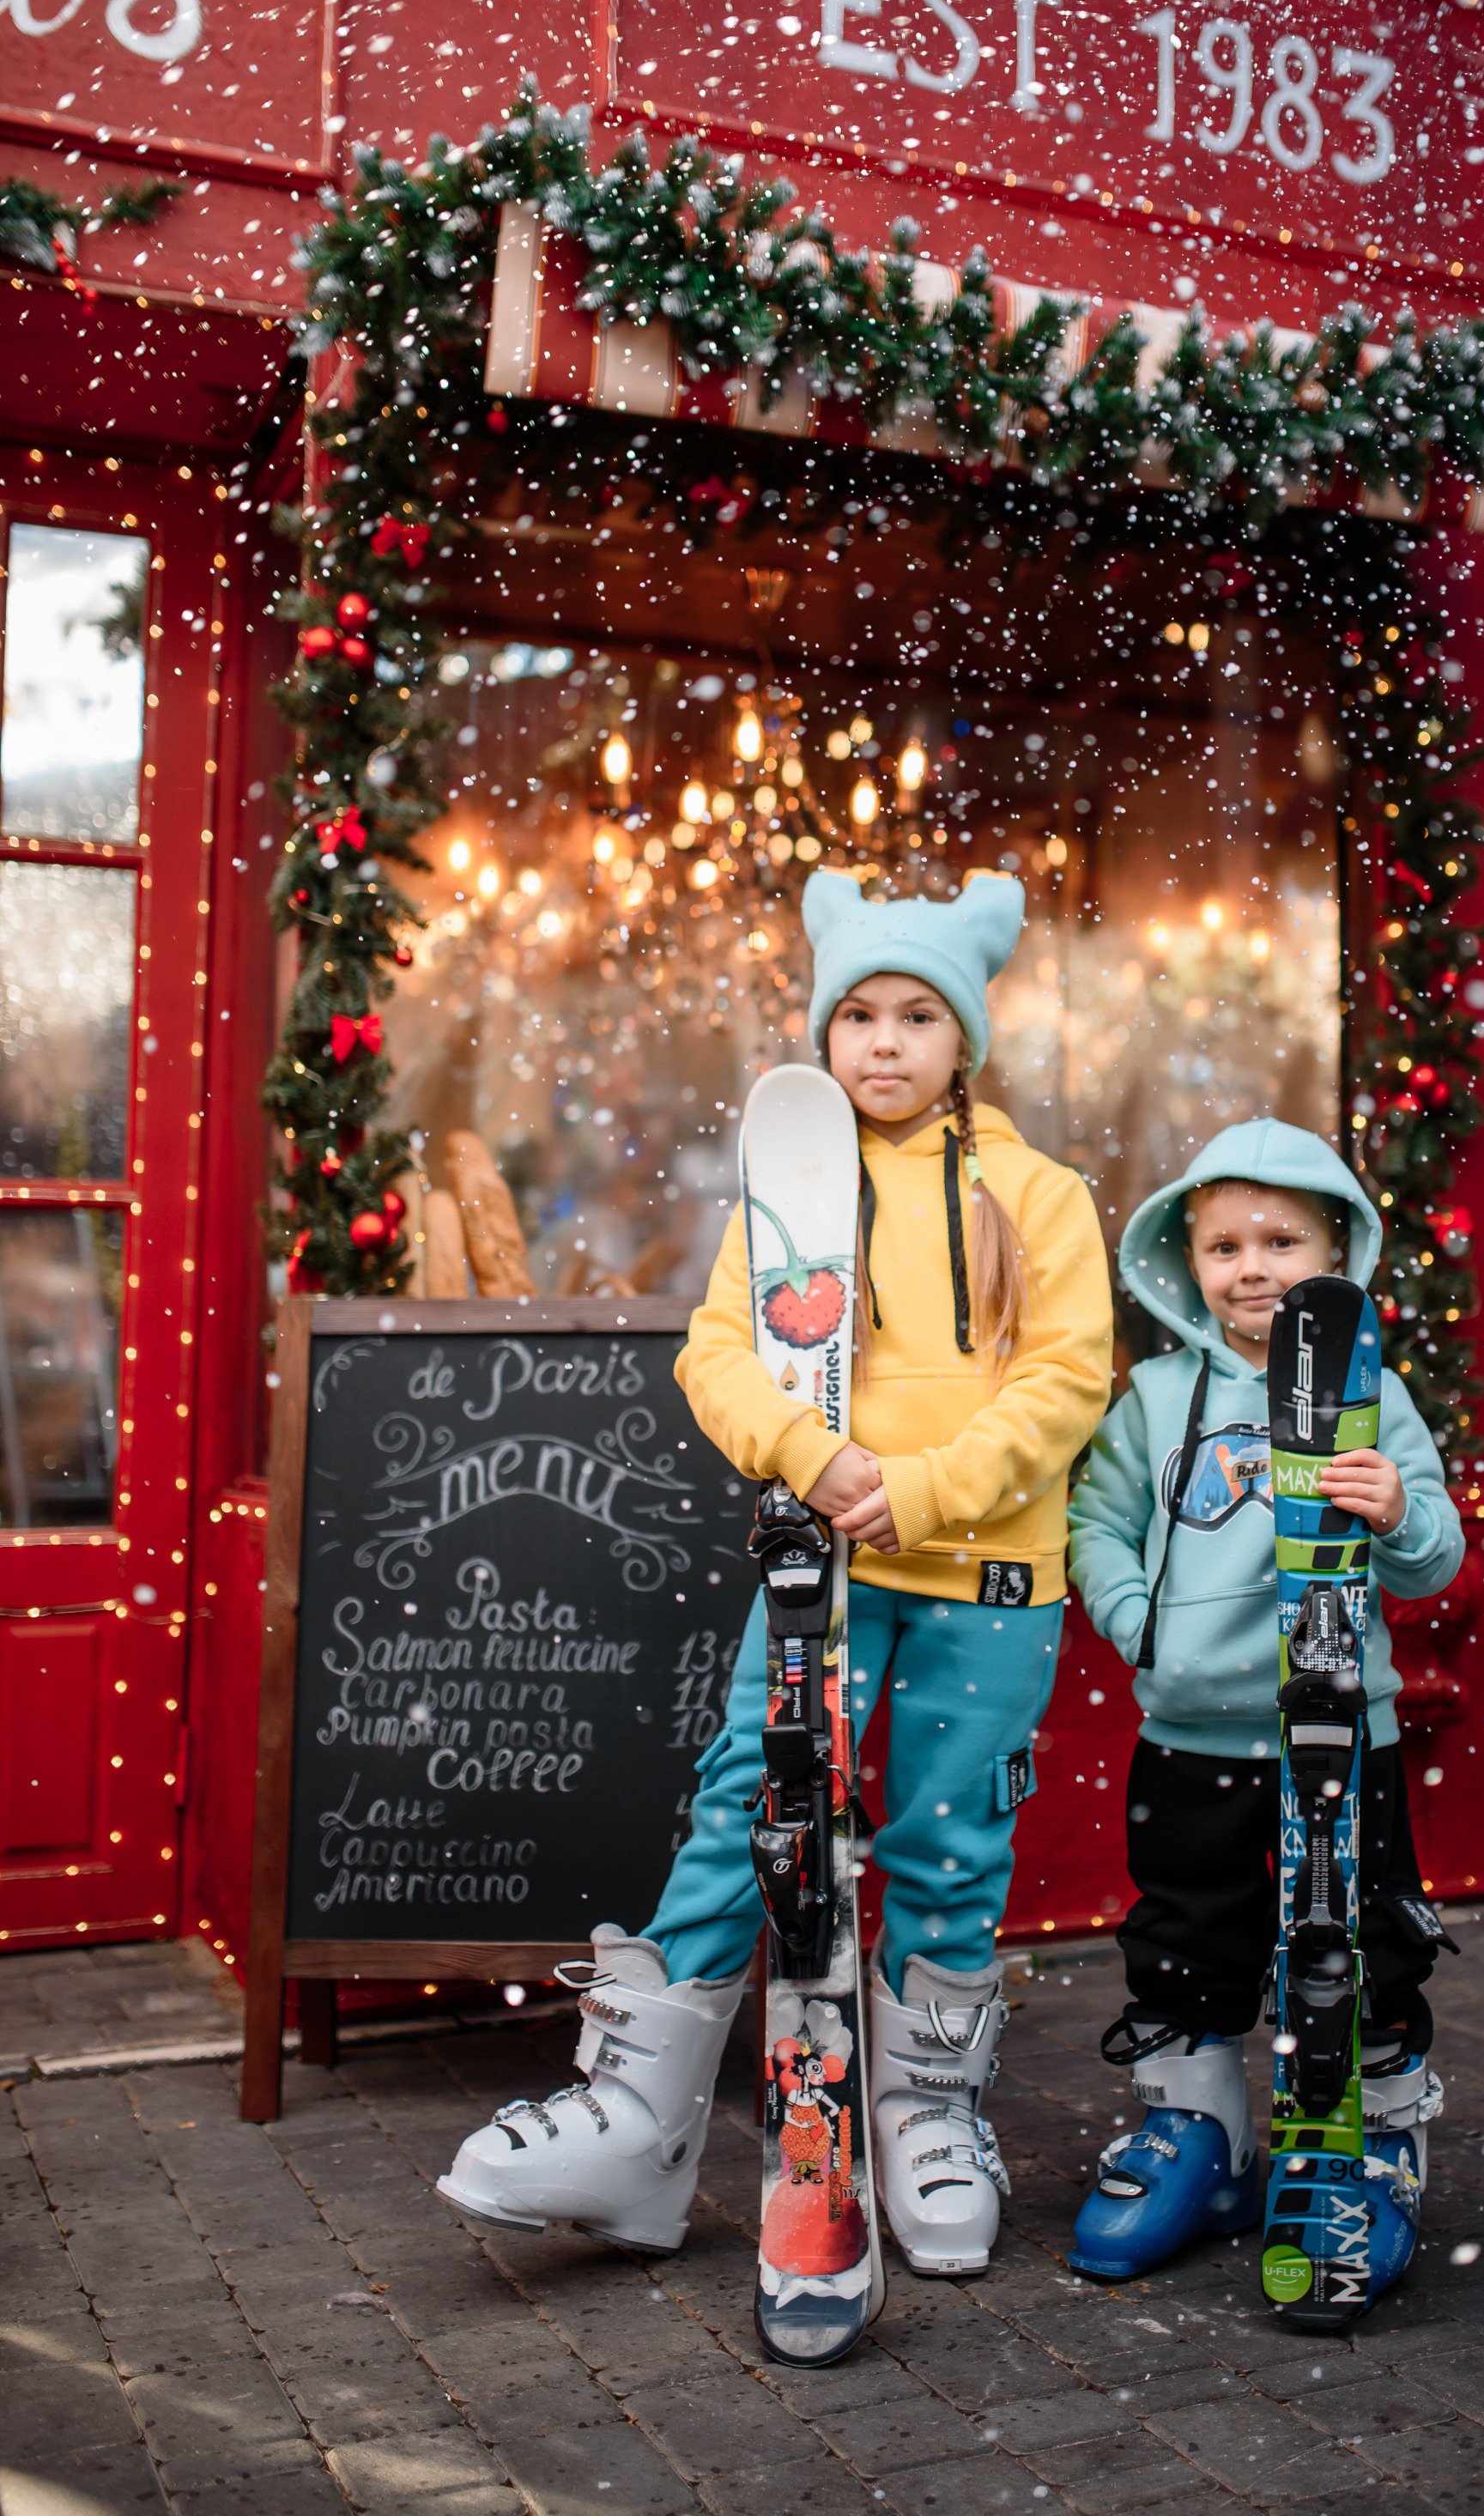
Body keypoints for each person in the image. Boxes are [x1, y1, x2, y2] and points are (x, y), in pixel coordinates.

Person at [439, 869, 1113, 2279]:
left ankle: (926, 2110)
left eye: (916, 1014)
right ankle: (640, 2117)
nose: (881, 1042)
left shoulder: (1041, 1200)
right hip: (822, 1570)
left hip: (991, 1580)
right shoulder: (791, 1195)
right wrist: (812, 1460)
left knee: (948, 1837)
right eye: (856, 1013)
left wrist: (916, 1489)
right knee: (748, 1804)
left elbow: (1066, 1385)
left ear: (964, 1037)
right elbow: (716, 1354)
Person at [1065, 1117, 1465, 2280]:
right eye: (1224, 1245)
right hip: (1191, 1736)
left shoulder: (1376, 1396)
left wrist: (1399, 1512)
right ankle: (1199, 2132)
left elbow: (1432, 1565)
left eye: (1283, 1240)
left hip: (1343, 1732)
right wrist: (1139, 1619)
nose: (1252, 1267)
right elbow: (1096, 1523)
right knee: (1188, 1941)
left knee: (1366, 1945)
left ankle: (1367, 2141)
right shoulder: (1154, 1395)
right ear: (1184, 1263)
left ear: (1339, 1252)